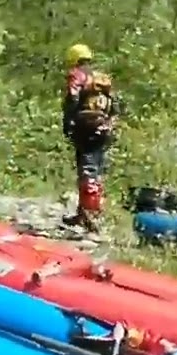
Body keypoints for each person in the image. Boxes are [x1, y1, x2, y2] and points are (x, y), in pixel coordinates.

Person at [61, 43, 121, 231]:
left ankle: (90, 216)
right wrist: (109, 125)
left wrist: (68, 122)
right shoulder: (101, 79)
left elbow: (72, 98)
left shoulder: (77, 75)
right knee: (96, 171)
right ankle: (84, 214)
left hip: (85, 128)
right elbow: (117, 106)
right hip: (104, 129)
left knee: (87, 171)